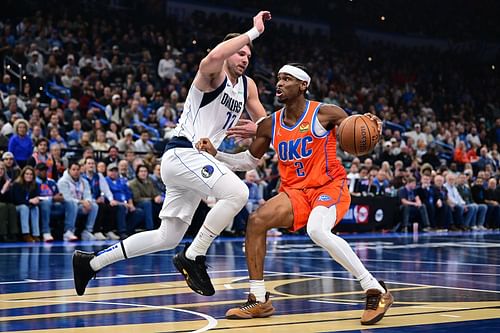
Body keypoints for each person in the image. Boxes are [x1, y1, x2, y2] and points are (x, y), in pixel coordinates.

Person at [72, 11, 271, 297]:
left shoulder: (247, 86)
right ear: (228, 53)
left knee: (168, 236)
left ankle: (90, 263)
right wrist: (252, 33)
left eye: (248, 56)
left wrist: (259, 129)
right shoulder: (212, 74)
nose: (244, 58)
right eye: (239, 53)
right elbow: (211, 57)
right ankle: (194, 255)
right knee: (238, 193)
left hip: (197, 162)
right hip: (182, 151)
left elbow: (264, 124)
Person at [196, 63, 393, 325]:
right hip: (295, 192)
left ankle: (375, 289)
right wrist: (216, 154)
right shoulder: (269, 124)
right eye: (278, 78)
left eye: (287, 79)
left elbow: (354, 126)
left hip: (328, 186)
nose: (279, 83)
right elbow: (248, 162)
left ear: (303, 85)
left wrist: (371, 123)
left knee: (317, 231)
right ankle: (258, 299)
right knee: (256, 222)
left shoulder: (325, 113)